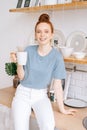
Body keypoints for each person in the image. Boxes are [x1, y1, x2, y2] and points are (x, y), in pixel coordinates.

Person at [11, 13, 76, 130]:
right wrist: (19, 62)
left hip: (40, 96)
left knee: (48, 126)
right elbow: (21, 77)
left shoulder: (57, 57)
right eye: (39, 31)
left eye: (46, 31)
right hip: (22, 94)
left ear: (52, 34)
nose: (42, 35)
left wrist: (62, 109)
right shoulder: (28, 50)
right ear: (35, 35)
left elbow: (57, 85)